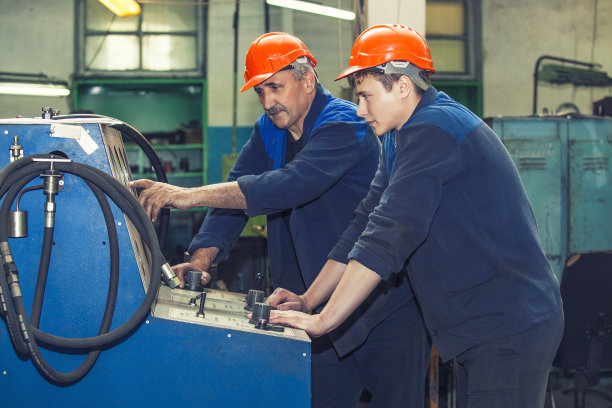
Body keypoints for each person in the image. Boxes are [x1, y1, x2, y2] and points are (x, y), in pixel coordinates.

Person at [269, 24, 564, 408]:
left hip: (506, 325)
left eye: (366, 96)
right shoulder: (398, 137)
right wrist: (310, 300)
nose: (360, 111)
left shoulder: (434, 130)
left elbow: (388, 237)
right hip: (479, 326)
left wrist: (325, 322)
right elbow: (365, 223)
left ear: (403, 87)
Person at [131, 32, 430, 408]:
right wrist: (201, 260)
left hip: (381, 307)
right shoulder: (269, 131)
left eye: (275, 87)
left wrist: (186, 195)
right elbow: (235, 193)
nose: (268, 102)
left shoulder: (344, 124)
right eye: (260, 91)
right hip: (309, 305)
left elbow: (290, 185)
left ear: (307, 80)